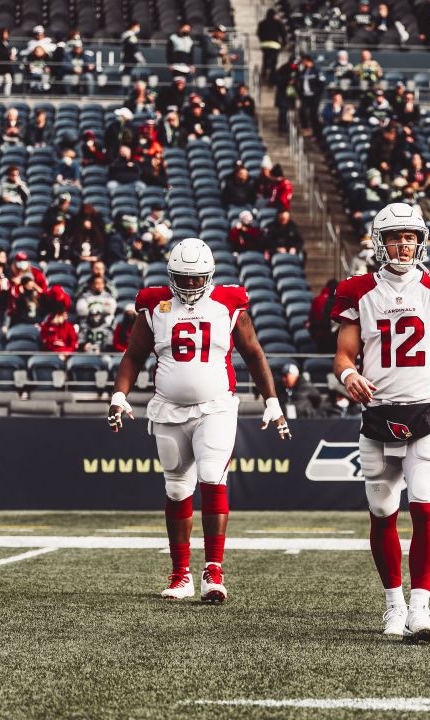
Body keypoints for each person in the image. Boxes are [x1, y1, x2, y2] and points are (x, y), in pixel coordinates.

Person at [331, 202, 430, 643]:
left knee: (425, 510)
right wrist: (348, 374)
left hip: (427, 414)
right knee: (382, 514)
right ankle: (393, 606)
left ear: (422, 241)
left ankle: (420, 607)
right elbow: (344, 353)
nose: (404, 244)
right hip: (378, 417)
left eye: (411, 237)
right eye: (396, 236)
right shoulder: (358, 290)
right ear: (379, 242)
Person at [109, 237, 292, 605]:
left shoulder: (228, 302)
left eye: (197, 278)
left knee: (212, 477)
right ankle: (181, 574)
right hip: (167, 409)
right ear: (171, 275)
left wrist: (271, 399)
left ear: (209, 276)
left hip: (216, 407)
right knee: (177, 489)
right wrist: (119, 395)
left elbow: (253, 353)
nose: (191, 285)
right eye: (184, 278)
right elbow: (134, 355)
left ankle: (213, 570)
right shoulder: (154, 304)